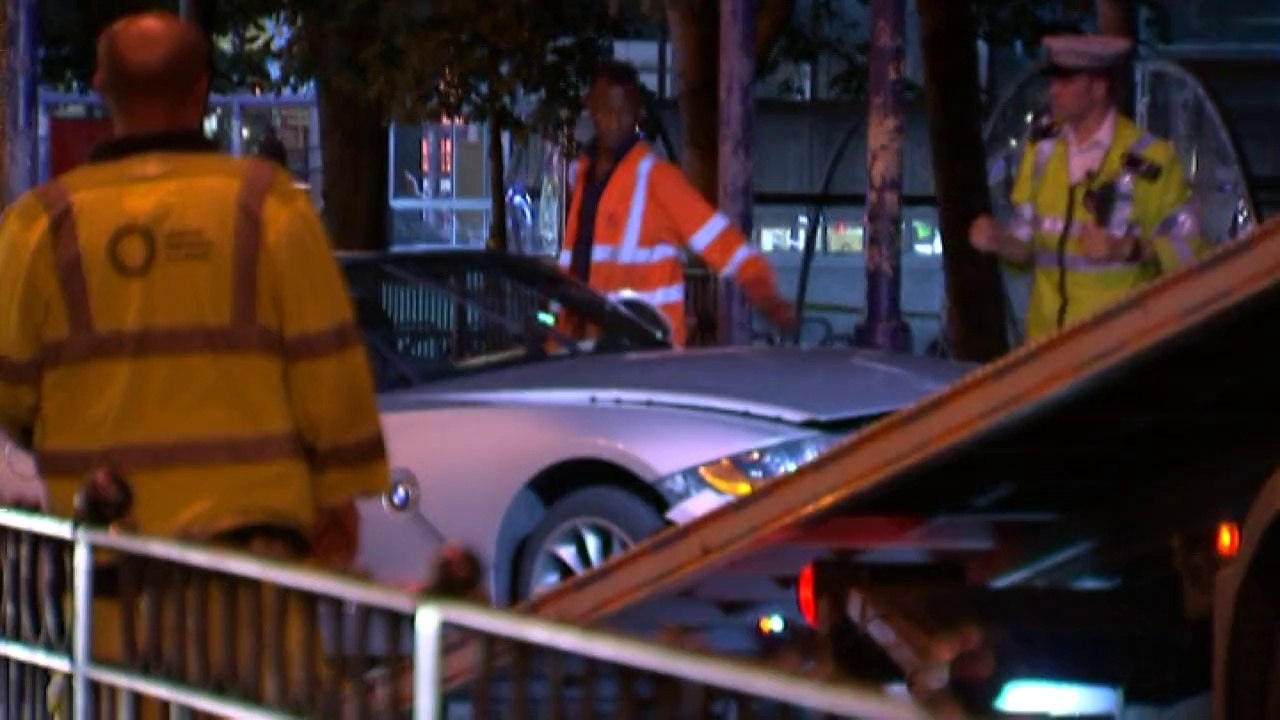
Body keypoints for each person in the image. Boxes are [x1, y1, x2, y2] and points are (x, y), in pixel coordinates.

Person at [0, 10, 387, 712]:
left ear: (99, 87)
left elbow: (11, 397)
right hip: (253, 581)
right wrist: (339, 496)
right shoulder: (267, 208)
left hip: (114, 585)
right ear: (202, 88)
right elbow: (331, 374)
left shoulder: (39, 226)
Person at [970, 34, 1207, 343]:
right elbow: (1027, 249)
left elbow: (1192, 248)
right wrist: (1000, 240)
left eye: (1067, 81)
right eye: (1053, 80)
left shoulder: (1152, 158)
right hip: (1046, 348)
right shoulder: (1041, 151)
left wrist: (1128, 248)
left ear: (1098, 87)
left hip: (1117, 349)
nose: (1054, 91)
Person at [560, 60, 795, 345]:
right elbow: (575, 266)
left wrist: (765, 293)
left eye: (624, 112)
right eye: (606, 110)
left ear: (638, 113)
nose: (614, 121)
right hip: (589, 346)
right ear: (592, 110)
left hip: (644, 351)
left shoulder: (657, 178)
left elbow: (720, 239)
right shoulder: (584, 176)